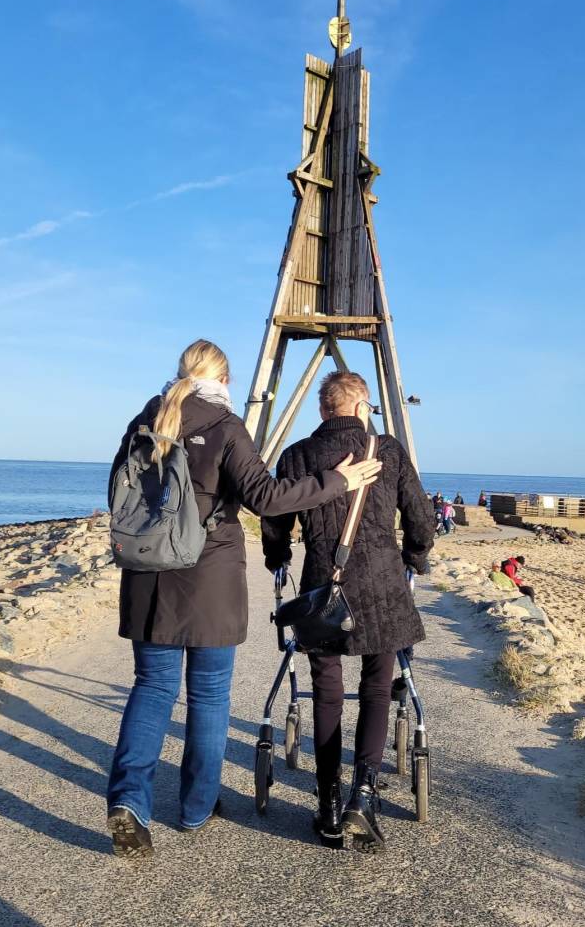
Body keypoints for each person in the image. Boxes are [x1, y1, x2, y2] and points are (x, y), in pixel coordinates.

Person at [104, 340, 381, 858]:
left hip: (146, 578)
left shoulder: (145, 419)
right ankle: (194, 808)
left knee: (151, 687)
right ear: (225, 381)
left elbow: (119, 495)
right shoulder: (226, 427)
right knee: (207, 696)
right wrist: (336, 481)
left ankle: (128, 802)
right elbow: (267, 498)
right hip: (208, 580)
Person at [261, 370, 434, 854]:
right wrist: (415, 557)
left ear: (322, 411)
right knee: (378, 684)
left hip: (324, 585)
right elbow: (419, 516)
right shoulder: (388, 450)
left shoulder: (296, 455)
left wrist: (277, 558)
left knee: (326, 687)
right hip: (381, 584)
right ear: (363, 407)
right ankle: (364, 791)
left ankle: (329, 798)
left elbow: (275, 520)